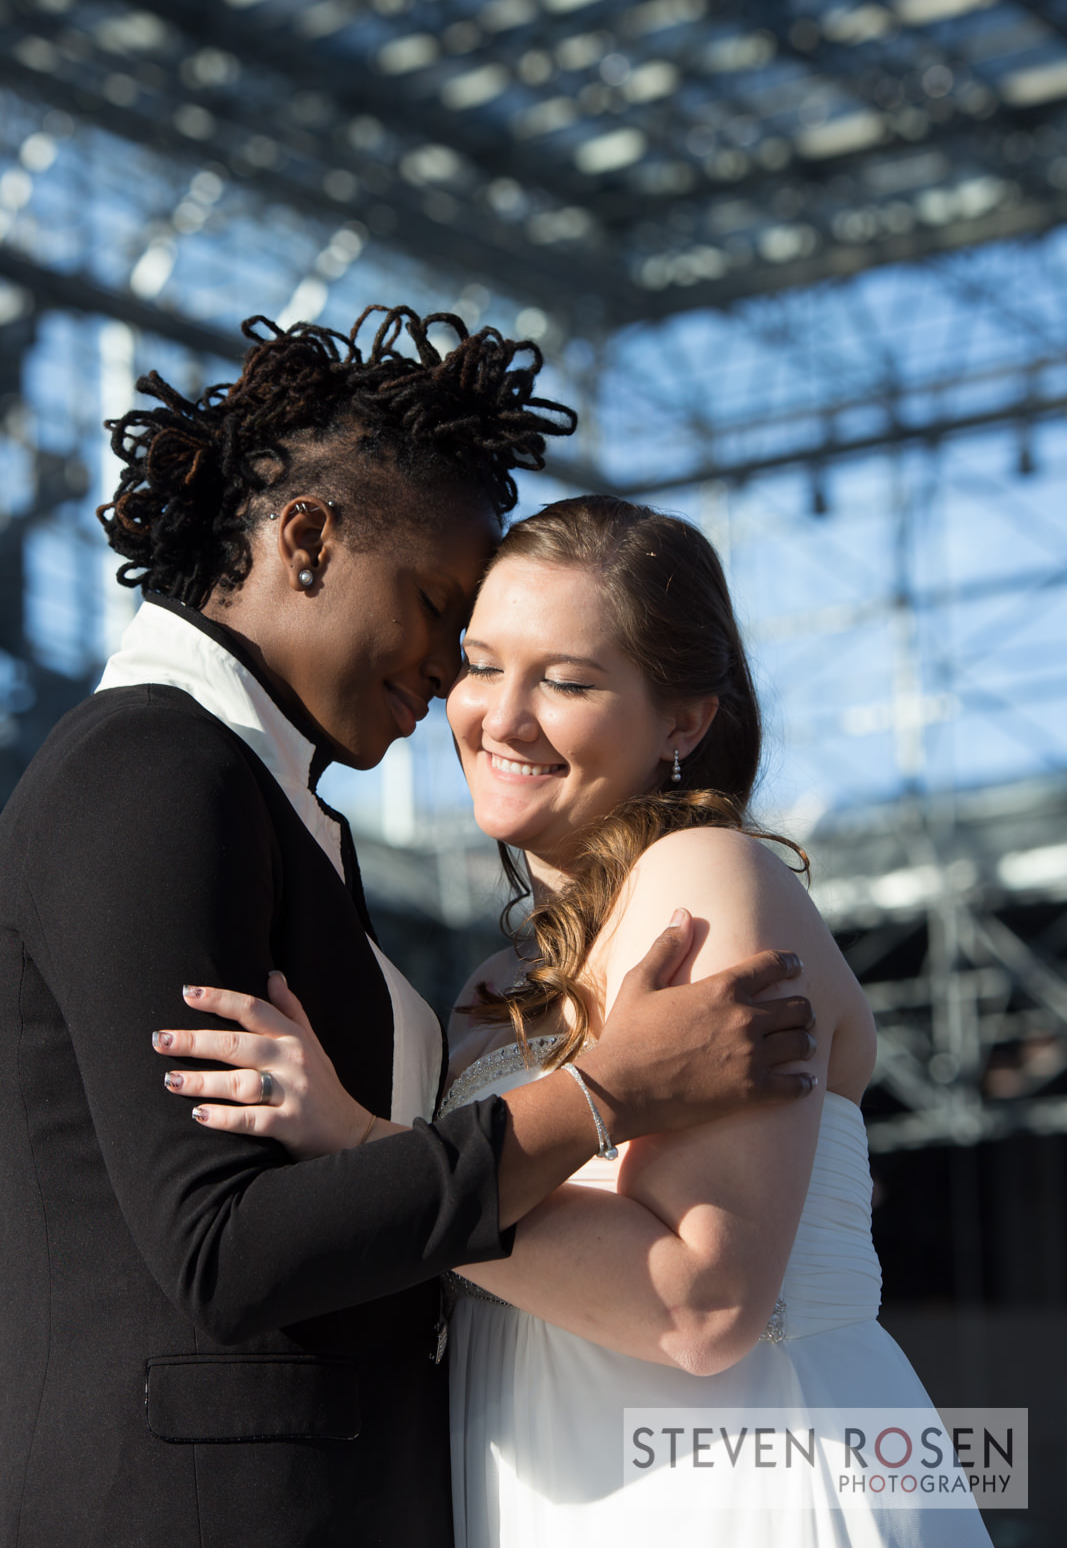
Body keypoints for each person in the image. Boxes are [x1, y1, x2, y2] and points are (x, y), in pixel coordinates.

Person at [0, 313, 817, 1548]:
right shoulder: (150, 768)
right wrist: (600, 1092)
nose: (450, 674)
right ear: (309, 537)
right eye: (446, 613)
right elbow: (222, 1248)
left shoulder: (267, 795)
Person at [169, 496, 994, 1547]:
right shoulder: (493, 981)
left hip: (735, 1486)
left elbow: (702, 1306)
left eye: (566, 680)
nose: (500, 717)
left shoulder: (705, 877)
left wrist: (367, 1150)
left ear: (683, 720)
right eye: (478, 663)